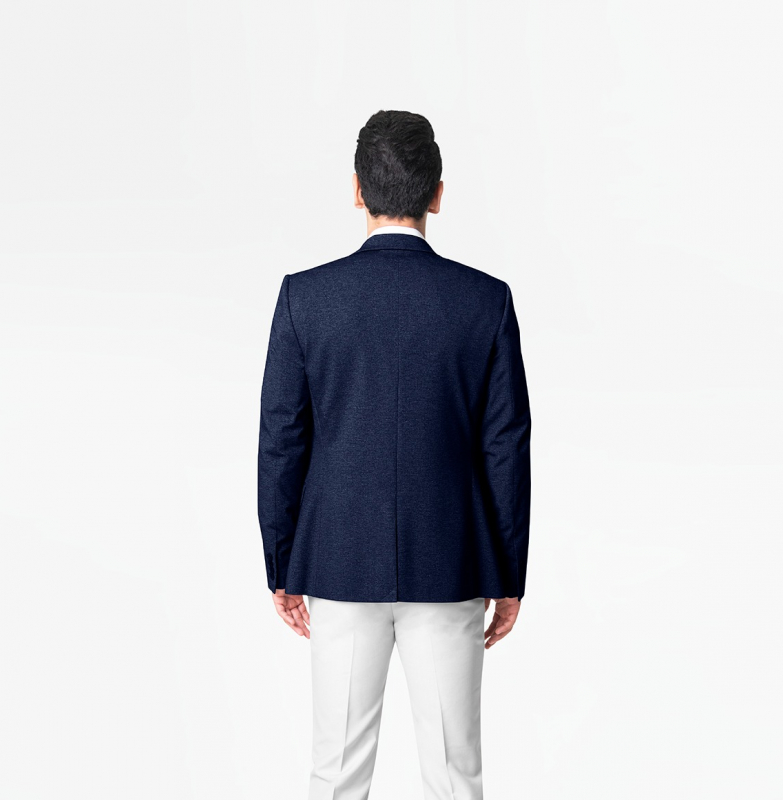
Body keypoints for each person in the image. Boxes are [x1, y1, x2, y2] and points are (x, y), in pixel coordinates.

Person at [257, 109, 531, 800]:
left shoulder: (305, 298)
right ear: (437, 193)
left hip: (338, 559)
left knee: (336, 773)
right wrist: (507, 574)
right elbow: (505, 446)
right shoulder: (485, 302)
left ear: (357, 190)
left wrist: (283, 564)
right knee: (455, 775)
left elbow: (282, 440)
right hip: (452, 560)